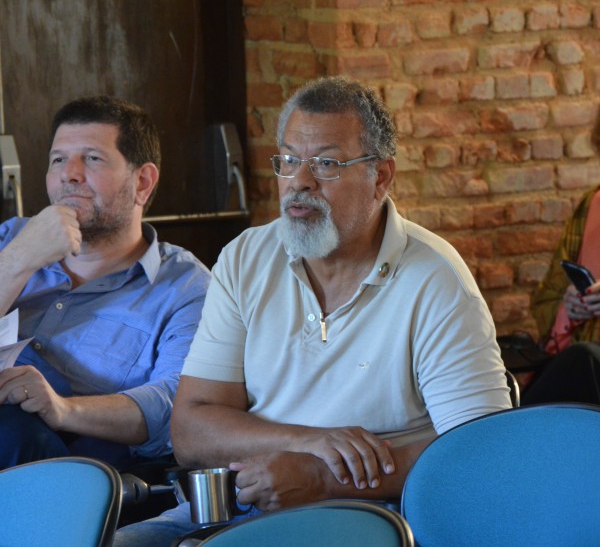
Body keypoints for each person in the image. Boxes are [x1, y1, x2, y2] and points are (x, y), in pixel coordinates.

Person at [114, 76, 511, 546]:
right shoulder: (246, 258)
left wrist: (323, 478)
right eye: (288, 160)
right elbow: (192, 430)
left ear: (380, 176)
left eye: (326, 163)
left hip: (379, 511)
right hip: (245, 499)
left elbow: (482, 457)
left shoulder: (434, 279)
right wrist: (308, 442)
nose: (300, 182)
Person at [0, 95, 211, 470]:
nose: (69, 174)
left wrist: (63, 409)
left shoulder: (186, 288)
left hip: (75, 473)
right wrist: (19, 260)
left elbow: (179, 408)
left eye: (92, 158)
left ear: (142, 182)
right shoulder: (11, 240)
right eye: (58, 159)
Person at [522, 176, 600, 405]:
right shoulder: (591, 204)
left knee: (582, 359)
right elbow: (548, 297)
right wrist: (570, 308)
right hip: (576, 358)